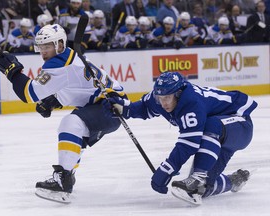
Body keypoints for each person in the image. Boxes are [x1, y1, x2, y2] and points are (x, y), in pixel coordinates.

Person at [0, 23, 125, 203]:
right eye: (40, 47)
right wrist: (53, 101)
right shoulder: (68, 56)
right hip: (108, 104)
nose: (43, 51)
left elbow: (28, 93)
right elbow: (75, 87)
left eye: (47, 46)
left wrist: (12, 71)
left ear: (60, 44)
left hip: (109, 107)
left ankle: (63, 179)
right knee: (75, 130)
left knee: (71, 124)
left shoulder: (59, 64)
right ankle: (67, 175)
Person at [103, 71, 257, 205]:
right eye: (159, 98)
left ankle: (198, 177)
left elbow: (189, 143)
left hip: (240, 125)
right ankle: (234, 180)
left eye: (167, 98)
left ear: (179, 94)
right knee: (201, 190)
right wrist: (123, 107)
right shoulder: (161, 96)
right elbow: (144, 107)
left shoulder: (192, 102)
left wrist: (166, 169)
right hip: (218, 137)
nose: (163, 103)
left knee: (211, 125)